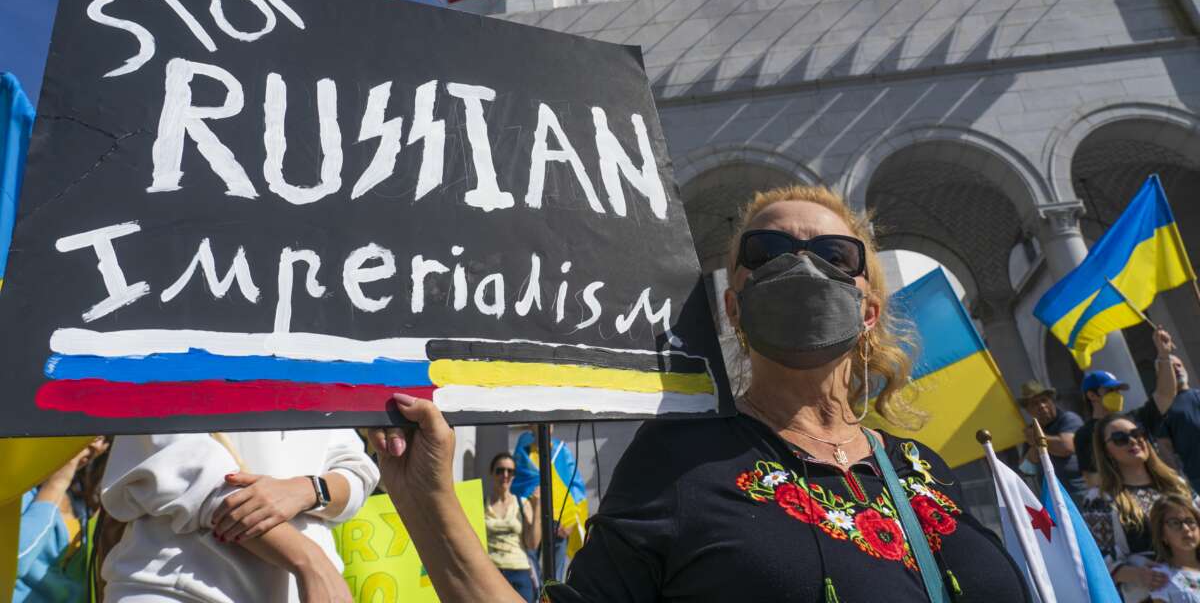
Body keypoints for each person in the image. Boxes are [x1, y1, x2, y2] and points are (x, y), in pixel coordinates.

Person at [367, 184, 1031, 602]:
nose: (800, 265)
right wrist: (426, 502)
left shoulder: (922, 468)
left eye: (834, 255)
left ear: (869, 308)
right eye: (767, 251)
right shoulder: (680, 462)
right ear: (733, 307)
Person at [99, 430, 378, 603]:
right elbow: (190, 475)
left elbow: (357, 471)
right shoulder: (166, 346)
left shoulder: (318, 355)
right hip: (179, 588)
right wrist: (311, 562)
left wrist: (307, 489)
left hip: (303, 592)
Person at [1081, 412, 1198, 599]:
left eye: (1137, 433)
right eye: (1120, 438)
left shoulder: (1177, 484)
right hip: (1149, 595)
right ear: (1106, 452)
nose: (1133, 441)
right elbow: (1098, 560)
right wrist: (1138, 574)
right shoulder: (1099, 499)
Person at [1075, 328, 1178, 488]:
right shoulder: (1085, 435)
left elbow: (1165, 394)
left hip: (1158, 490)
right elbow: (1093, 479)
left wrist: (1164, 355)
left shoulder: (1134, 420)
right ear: (1092, 396)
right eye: (1110, 390)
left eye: (1137, 434)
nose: (1133, 440)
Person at [15, 436, 109, 602]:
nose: (97, 444)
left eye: (106, 438)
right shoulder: (15, 492)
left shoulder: (84, 500)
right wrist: (57, 481)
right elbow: (12, 562)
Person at [512, 424, 586, 583]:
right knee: (532, 574)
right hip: (532, 520)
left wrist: (571, 522)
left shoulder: (561, 451)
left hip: (559, 523)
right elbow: (518, 484)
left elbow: (575, 485)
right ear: (531, 426)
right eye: (538, 423)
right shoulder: (523, 452)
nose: (546, 426)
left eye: (550, 424)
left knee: (555, 578)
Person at [485, 451, 541, 602]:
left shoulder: (523, 504)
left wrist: (537, 509)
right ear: (491, 473)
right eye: (500, 470)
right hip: (490, 573)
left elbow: (533, 544)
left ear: (514, 475)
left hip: (519, 572)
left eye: (510, 471)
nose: (505, 475)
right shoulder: (481, 505)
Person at [1017, 380, 1085, 499]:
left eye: (1044, 400)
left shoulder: (1069, 419)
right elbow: (1026, 469)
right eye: (1034, 403)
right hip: (1053, 498)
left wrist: (1036, 438)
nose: (1042, 406)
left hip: (1080, 493)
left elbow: (1066, 447)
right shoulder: (1033, 431)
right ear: (1028, 410)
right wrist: (1034, 444)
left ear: (1052, 401)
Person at [1158, 356, 1200, 492]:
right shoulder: (1162, 408)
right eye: (1170, 367)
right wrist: (1179, 481)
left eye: (1178, 365)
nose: (1176, 369)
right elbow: (1165, 448)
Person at [1147, 494, 1200, 602]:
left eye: (1190, 521)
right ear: (1162, 535)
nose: (1186, 529)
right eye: (1175, 523)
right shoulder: (1162, 575)